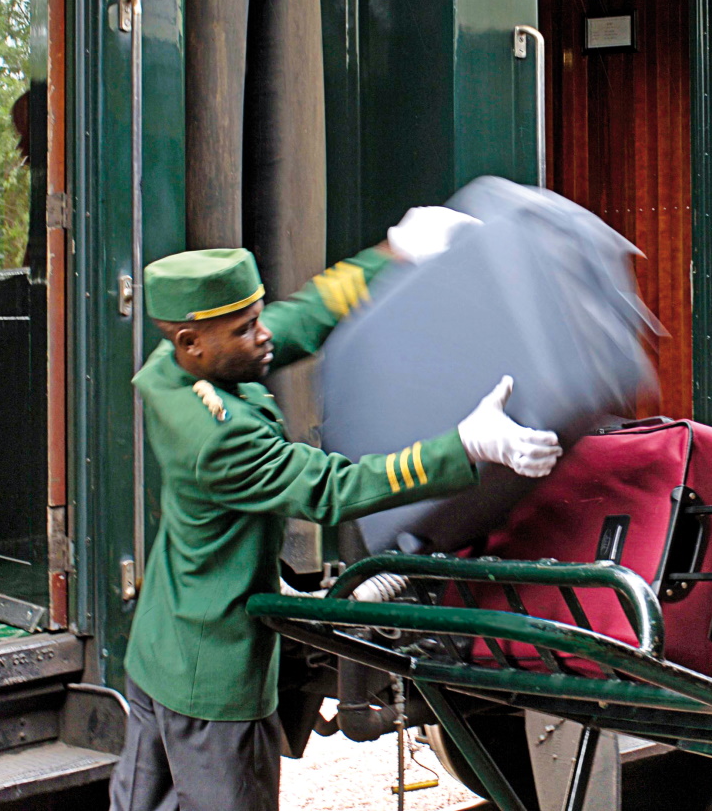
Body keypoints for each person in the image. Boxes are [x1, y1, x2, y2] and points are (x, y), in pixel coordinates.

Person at [108, 207, 561, 811]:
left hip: (160, 649)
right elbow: (330, 489)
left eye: (254, 318)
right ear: (193, 341)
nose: (262, 335)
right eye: (244, 329)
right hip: (211, 678)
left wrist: (391, 253)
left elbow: (298, 319)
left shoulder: (176, 367)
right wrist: (464, 445)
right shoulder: (216, 438)